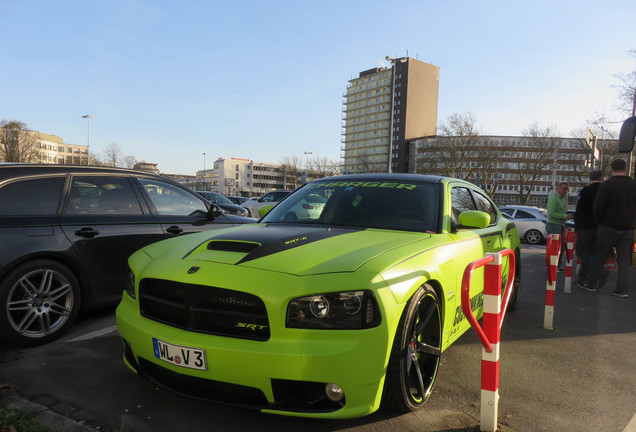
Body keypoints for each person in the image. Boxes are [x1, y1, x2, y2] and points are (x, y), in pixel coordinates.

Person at [578, 158, 636, 297]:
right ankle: (622, 290)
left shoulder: (607, 185)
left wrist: (600, 221)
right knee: (623, 259)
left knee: (600, 255)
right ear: (625, 168)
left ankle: (591, 284)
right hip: (628, 227)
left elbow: (597, 206)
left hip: (608, 226)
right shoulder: (634, 185)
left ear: (612, 169)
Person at [574, 170, 603, 285]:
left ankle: (587, 275)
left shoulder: (586, 190)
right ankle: (584, 277)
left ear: (590, 178)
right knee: (593, 251)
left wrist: (577, 224)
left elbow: (580, 209)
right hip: (599, 226)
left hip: (585, 227)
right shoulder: (604, 190)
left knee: (581, 251)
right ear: (601, 178)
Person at [546, 182, 573, 270]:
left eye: (566, 189)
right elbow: (551, 213)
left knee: (561, 247)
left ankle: (556, 265)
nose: (565, 191)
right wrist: (565, 216)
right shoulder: (554, 198)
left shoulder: (562, 199)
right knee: (555, 247)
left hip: (560, 224)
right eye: (564, 189)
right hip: (554, 224)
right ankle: (551, 266)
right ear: (558, 188)